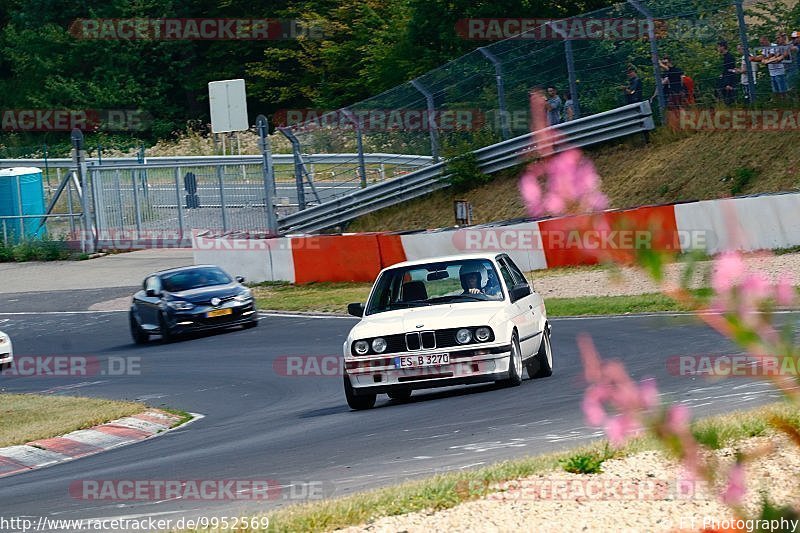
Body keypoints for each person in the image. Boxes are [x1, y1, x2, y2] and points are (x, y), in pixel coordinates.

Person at [753, 35, 788, 99]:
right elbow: (763, 56)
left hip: (779, 71)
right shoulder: (764, 48)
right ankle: (779, 103)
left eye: (762, 42)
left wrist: (764, 60)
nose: (761, 44)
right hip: (772, 72)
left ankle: (786, 102)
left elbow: (771, 55)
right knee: (775, 90)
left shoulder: (774, 46)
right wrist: (756, 58)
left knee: (782, 89)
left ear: (766, 40)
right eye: (760, 43)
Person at [717, 40, 737, 105]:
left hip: (729, 80)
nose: (718, 48)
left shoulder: (729, 57)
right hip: (726, 79)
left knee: (729, 98)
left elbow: (730, 70)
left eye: (719, 47)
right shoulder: (725, 56)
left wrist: (727, 83)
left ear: (723, 47)